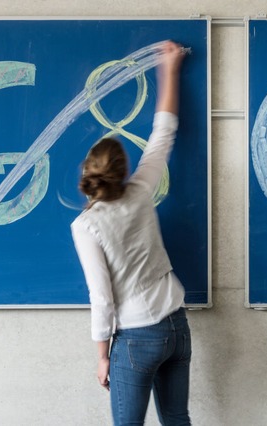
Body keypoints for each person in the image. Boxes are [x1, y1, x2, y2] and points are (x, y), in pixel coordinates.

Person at [71, 41, 191, 426]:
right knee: (176, 419)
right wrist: (169, 68)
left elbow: (101, 297)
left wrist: (102, 355)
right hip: (176, 325)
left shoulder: (86, 225)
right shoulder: (140, 192)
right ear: (123, 170)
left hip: (137, 336)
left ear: (86, 173)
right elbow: (163, 133)